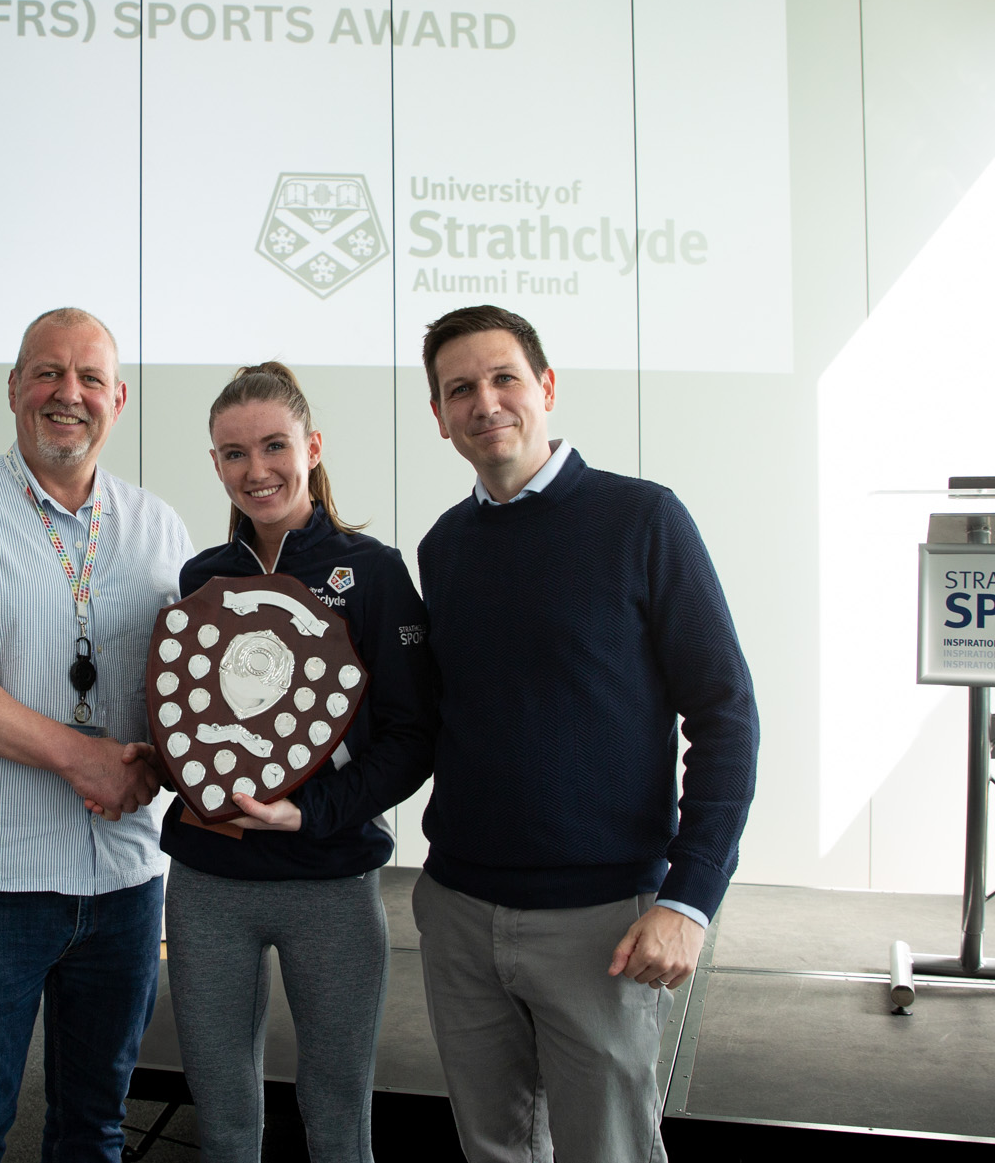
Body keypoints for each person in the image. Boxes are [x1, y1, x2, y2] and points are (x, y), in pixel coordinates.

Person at [233, 305, 760, 1162]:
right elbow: (425, 723)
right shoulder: (444, 547)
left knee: (608, 1152)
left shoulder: (644, 520)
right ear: (439, 417)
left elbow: (726, 715)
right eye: (459, 390)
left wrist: (690, 897)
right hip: (460, 912)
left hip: (602, 922)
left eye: (503, 377)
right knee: (494, 1149)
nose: (485, 402)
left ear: (545, 387)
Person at [0, 307, 193, 1163]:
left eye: (90, 377)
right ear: (15, 386)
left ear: (118, 400)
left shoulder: (158, 527)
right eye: (48, 372)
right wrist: (81, 757)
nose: (68, 393)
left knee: (95, 1130)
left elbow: (185, 693)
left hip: (125, 883)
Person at [117, 362, 438, 1163]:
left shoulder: (373, 571)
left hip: (330, 881)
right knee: (224, 1119)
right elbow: (202, 721)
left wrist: (312, 811)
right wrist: (164, 759)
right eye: (233, 453)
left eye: (273, 446)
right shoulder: (203, 578)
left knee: (337, 1118)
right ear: (216, 462)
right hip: (210, 882)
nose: (255, 469)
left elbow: (413, 736)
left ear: (312, 447)